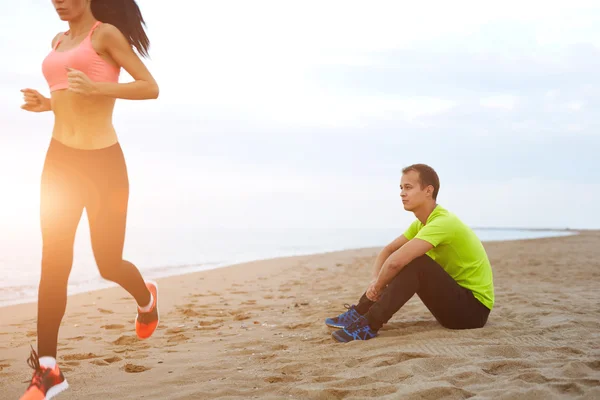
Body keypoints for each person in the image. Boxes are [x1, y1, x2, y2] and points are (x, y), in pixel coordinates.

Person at [19, 1, 160, 398]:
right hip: (59, 161)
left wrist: (97, 87)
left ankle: (146, 297)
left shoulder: (106, 35)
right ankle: (47, 370)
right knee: (54, 261)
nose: (59, 3)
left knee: (108, 263)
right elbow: (69, 99)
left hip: (104, 165)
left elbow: (150, 87)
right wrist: (47, 104)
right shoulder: (59, 40)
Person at [325, 164, 494, 342]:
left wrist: (379, 286)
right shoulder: (422, 223)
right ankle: (360, 313)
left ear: (428, 190)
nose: (402, 193)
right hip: (453, 306)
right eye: (401, 188)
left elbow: (395, 262)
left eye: (408, 187)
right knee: (408, 261)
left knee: (415, 263)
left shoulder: (443, 222)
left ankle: (368, 324)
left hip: (473, 312)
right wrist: (375, 282)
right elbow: (388, 250)